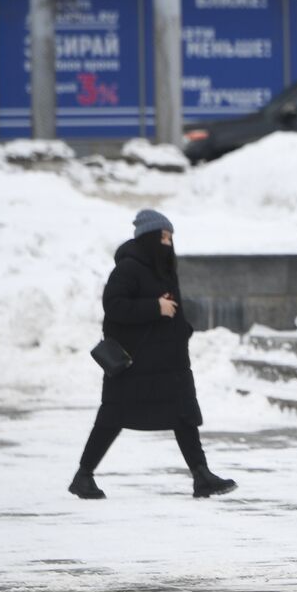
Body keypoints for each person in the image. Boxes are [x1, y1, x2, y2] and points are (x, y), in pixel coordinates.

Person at [69, 210, 236, 499]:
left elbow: (172, 308)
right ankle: (83, 476)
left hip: (169, 363)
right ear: (149, 238)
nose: (169, 242)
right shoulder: (129, 268)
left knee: (184, 413)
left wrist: (182, 329)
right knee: (112, 418)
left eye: (171, 237)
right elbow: (114, 306)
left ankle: (201, 475)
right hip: (137, 365)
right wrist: (154, 308)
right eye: (164, 236)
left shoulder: (162, 268)